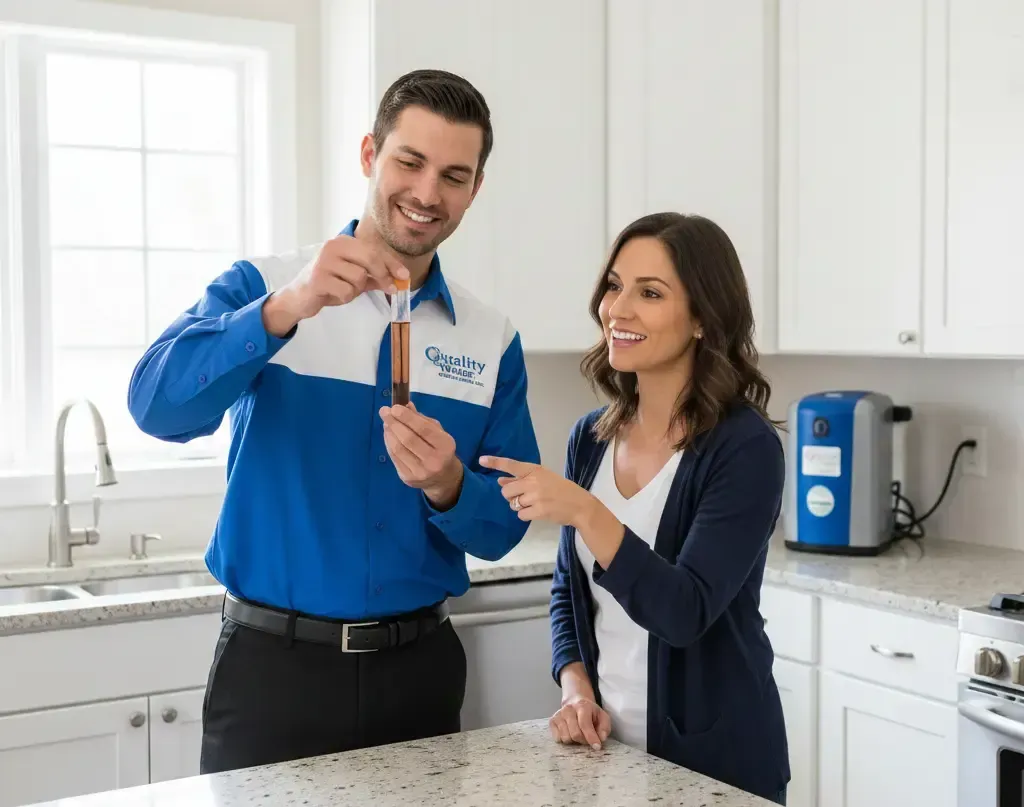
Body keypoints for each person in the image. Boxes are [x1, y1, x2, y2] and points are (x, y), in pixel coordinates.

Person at [128, 69, 540, 774]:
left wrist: (449, 485)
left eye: (453, 174)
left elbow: (505, 526)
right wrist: (283, 310)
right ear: (368, 155)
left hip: (420, 677)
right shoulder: (266, 286)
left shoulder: (490, 338)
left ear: (474, 190)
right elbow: (156, 406)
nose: (426, 192)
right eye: (408, 161)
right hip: (272, 677)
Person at [478, 212, 789, 804]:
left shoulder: (744, 448)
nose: (617, 309)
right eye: (615, 286)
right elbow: (569, 594)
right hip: (609, 760)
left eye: (650, 293)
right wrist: (575, 690)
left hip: (716, 767)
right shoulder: (590, 438)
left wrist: (585, 512)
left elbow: (684, 611)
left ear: (702, 318)